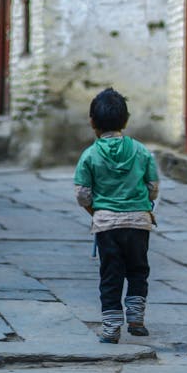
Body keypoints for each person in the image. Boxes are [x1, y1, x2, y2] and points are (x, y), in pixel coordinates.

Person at [74, 88, 159, 343]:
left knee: (111, 276)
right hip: (138, 223)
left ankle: (111, 329)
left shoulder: (89, 155)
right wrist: (140, 202)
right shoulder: (142, 151)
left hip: (106, 226)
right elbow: (153, 189)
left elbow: (82, 194)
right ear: (126, 120)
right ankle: (136, 319)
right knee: (138, 270)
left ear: (92, 121)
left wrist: (97, 211)